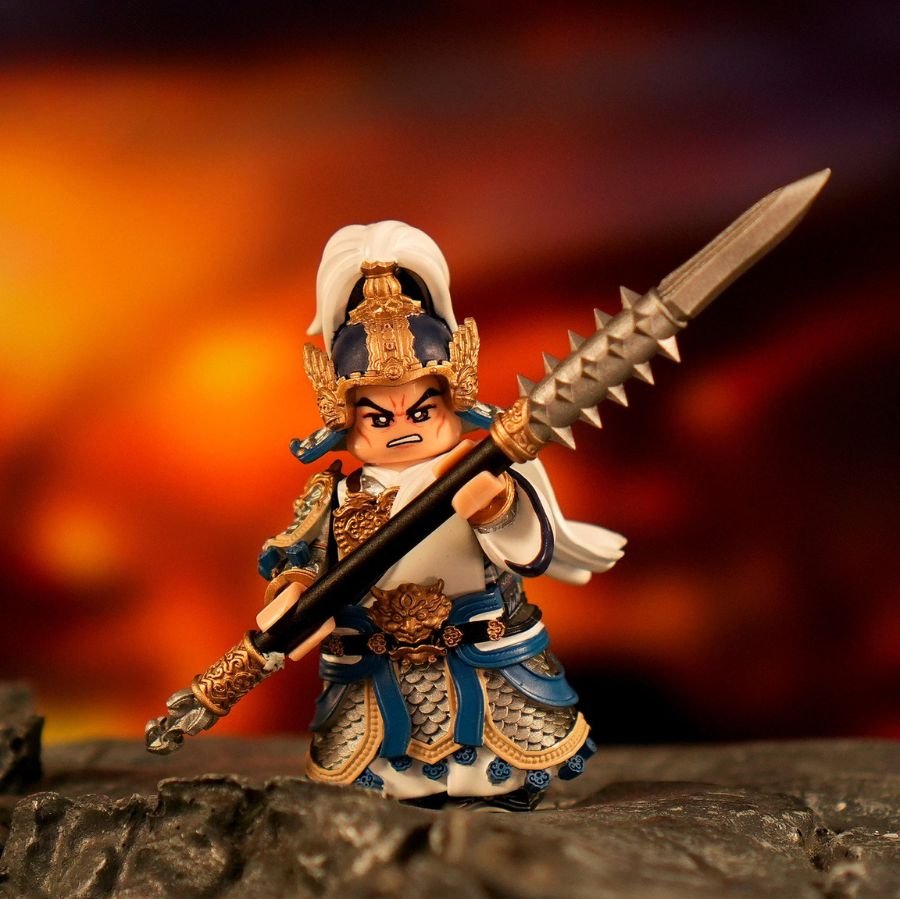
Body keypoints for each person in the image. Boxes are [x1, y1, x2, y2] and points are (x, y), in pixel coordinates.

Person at [256, 221, 625, 810]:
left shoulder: (481, 469)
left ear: (451, 400)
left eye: (421, 411)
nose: (402, 427)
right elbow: (303, 556)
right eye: (380, 418)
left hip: (481, 655)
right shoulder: (335, 493)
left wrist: (496, 509)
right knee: (388, 786)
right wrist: (296, 594)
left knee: (493, 773)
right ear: (347, 417)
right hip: (374, 665)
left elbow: (527, 549)